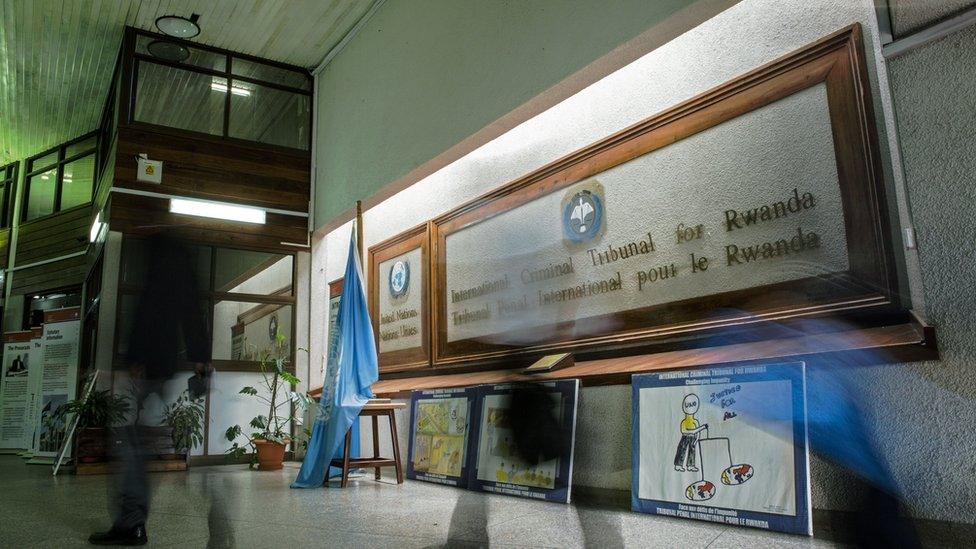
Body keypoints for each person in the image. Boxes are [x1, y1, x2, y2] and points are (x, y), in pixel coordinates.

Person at [89, 235, 211, 546]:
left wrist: (137, 358)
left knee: (128, 442)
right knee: (134, 444)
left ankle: (131, 523)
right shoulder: (177, 256)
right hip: (159, 364)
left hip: (150, 365)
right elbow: (191, 311)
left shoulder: (166, 256)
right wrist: (200, 358)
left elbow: (153, 312)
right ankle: (132, 521)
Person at [674, 393, 707, 472]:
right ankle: (678, 465)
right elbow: (684, 431)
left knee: (692, 451)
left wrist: (696, 439)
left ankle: (690, 466)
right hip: (685, 437)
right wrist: (702, 428)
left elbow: (696, 432)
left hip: (693, 437)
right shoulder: (684, 422)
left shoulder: (695, 421)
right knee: (682, 449)